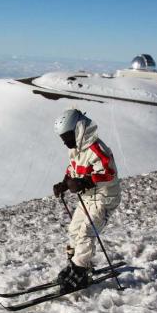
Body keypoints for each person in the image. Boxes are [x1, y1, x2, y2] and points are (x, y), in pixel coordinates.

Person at [52, 109, 121, 293]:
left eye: (67, 135)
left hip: (104, 198)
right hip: (88, 197)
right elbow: (72, 169)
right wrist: (64, 184)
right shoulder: (76, 149)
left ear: (79, 130)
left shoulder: (97, 148)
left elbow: (109, 172)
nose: (66, 141)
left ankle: (79, 270)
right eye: (63, 137)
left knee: (86, 232)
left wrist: (85, 181)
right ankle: (77, 266)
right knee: (74, 230)